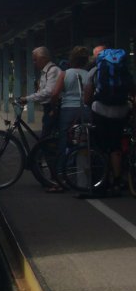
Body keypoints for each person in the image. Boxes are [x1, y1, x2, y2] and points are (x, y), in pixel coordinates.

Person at [83, 47, 134, 192]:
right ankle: (118, 180)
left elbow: (87, 98)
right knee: (116, 145)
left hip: (100, 111)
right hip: (121, 112)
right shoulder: (124, 72)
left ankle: (103, 179)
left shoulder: (94, 72)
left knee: (100, 146)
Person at [49, 46, 91, 192]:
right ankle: (83, 179)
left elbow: (55, 94)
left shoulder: (65, 73)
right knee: (83, 143)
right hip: (85, 111)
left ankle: (60, 180)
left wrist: (54, 108)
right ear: (86, 60)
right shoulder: (89, 74)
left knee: (64, 142)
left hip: (68, 111)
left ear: (71, 59)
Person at [19, 46, 61, 138]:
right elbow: (42, 91)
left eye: (35, 60)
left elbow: (49, 92)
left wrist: (27, 98)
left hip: (53, 108)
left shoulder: (53, 70)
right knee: (47, 135)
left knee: (46, 137)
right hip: (48, 108)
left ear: (43, 58)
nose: (34, 63)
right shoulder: (45, 72)